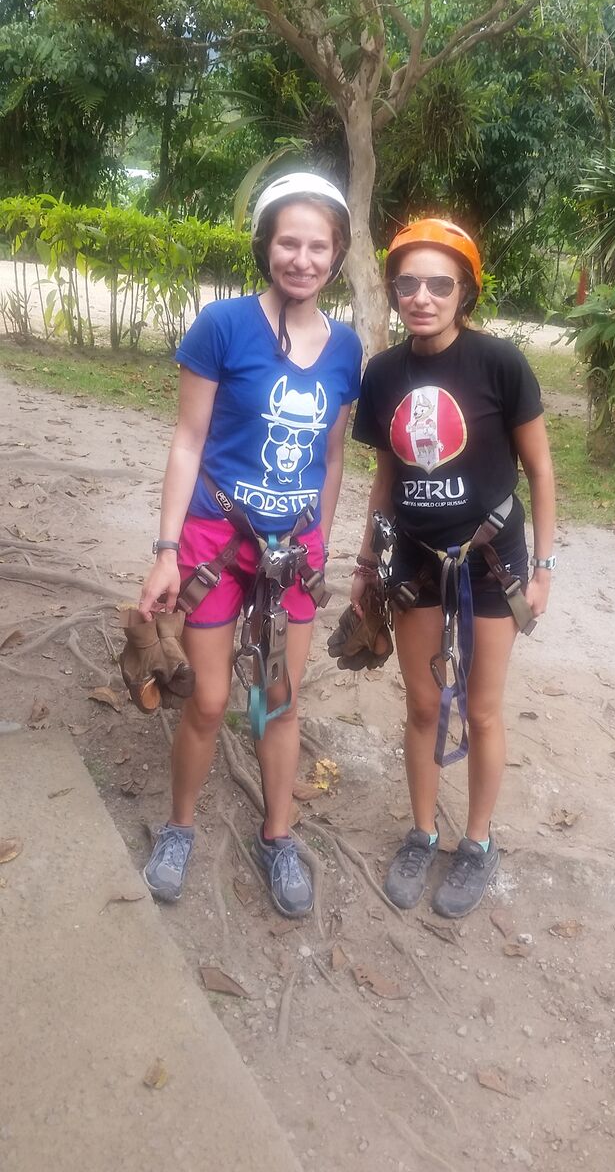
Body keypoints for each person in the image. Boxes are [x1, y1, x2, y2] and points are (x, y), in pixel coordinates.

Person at [137, 173, 362, 916]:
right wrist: (167, 548)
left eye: (318, 245)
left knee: (280, 701)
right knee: (206, 700)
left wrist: (321, 542)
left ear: (338, 254)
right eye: (288, 241)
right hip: (215, 539)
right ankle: (179, 827)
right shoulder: (222, 326)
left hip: (291, 552)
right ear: (265, 244)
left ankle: (278, 836)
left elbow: (331, 457)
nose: (302, 258)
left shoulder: (345, 348)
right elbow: (187, 439)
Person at [350, 218, 555, 918]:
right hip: (413, 555)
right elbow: (385, 475)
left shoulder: (500, 363)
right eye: (407, 283)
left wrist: (546, 565)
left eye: (440, 283)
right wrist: (366, 558)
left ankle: (476, 842)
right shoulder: (383, 374)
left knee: (485, 709)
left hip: (494, 559)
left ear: (464, 291)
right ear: (394, 291)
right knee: (423, 704)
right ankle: (422, 831)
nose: (422, 297)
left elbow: (541, 467)